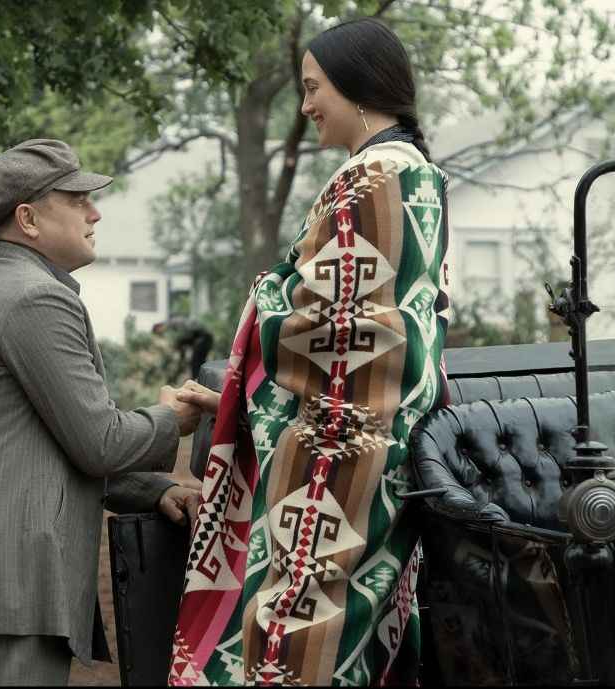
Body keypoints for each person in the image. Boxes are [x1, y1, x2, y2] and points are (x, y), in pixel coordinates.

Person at [168, 19, 451, 686]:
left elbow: (326, 330)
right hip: (383, 441)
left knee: (292, 636)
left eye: (313, 87)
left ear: (357, 87)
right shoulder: (415, 172)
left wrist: (268, 288)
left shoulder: (371, 175)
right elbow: (386, 326)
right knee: (350, 628)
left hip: (337, 454)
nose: (305, 105)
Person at [0, 139, 216, 686]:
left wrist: (153, 491)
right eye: (77, 200)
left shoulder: (3, 289)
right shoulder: (34, 298)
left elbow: (53, 445)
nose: (94, 214)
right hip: (8, 583)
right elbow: (99, 442)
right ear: (27, 219)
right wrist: (172, 418)